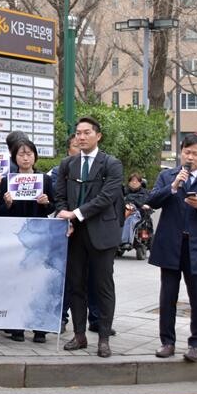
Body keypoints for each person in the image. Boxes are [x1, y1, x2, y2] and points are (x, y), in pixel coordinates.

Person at [147, 134, 197, 362]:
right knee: (167, 297)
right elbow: (152, 200)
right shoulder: (167, 176)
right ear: (180, 152)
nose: (189, 157)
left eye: (195, 153)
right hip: (170, 245)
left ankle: (195, 344)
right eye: (186, 152)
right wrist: (173, 187)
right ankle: (167, 342)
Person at [55, 116, 124, 358]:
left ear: (98, 136)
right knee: (76, 286)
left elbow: (107, 198)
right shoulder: (68, 164)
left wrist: (76, 214)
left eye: (86, 133)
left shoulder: (111, 164)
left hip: (102, 233)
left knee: (103, 286)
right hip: (74, 235)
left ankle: (103, 338)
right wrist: (65, 216)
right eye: (78, 133)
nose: (81, 137)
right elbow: (60, 196)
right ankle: (79, 335)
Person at [0, 138, 55, 343]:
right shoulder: (7, 180)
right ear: (15, 158)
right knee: (18, 280)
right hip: (16, 236)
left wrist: (46, 202)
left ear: (35, 157)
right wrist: (7, 203)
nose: (25, 157)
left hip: (39, 236)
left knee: (39, 280)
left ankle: (40, 329)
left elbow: (52, 208)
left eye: (29, 154)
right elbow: (0, 212)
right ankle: (17, 327)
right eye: (21, 154)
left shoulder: (44, 180)